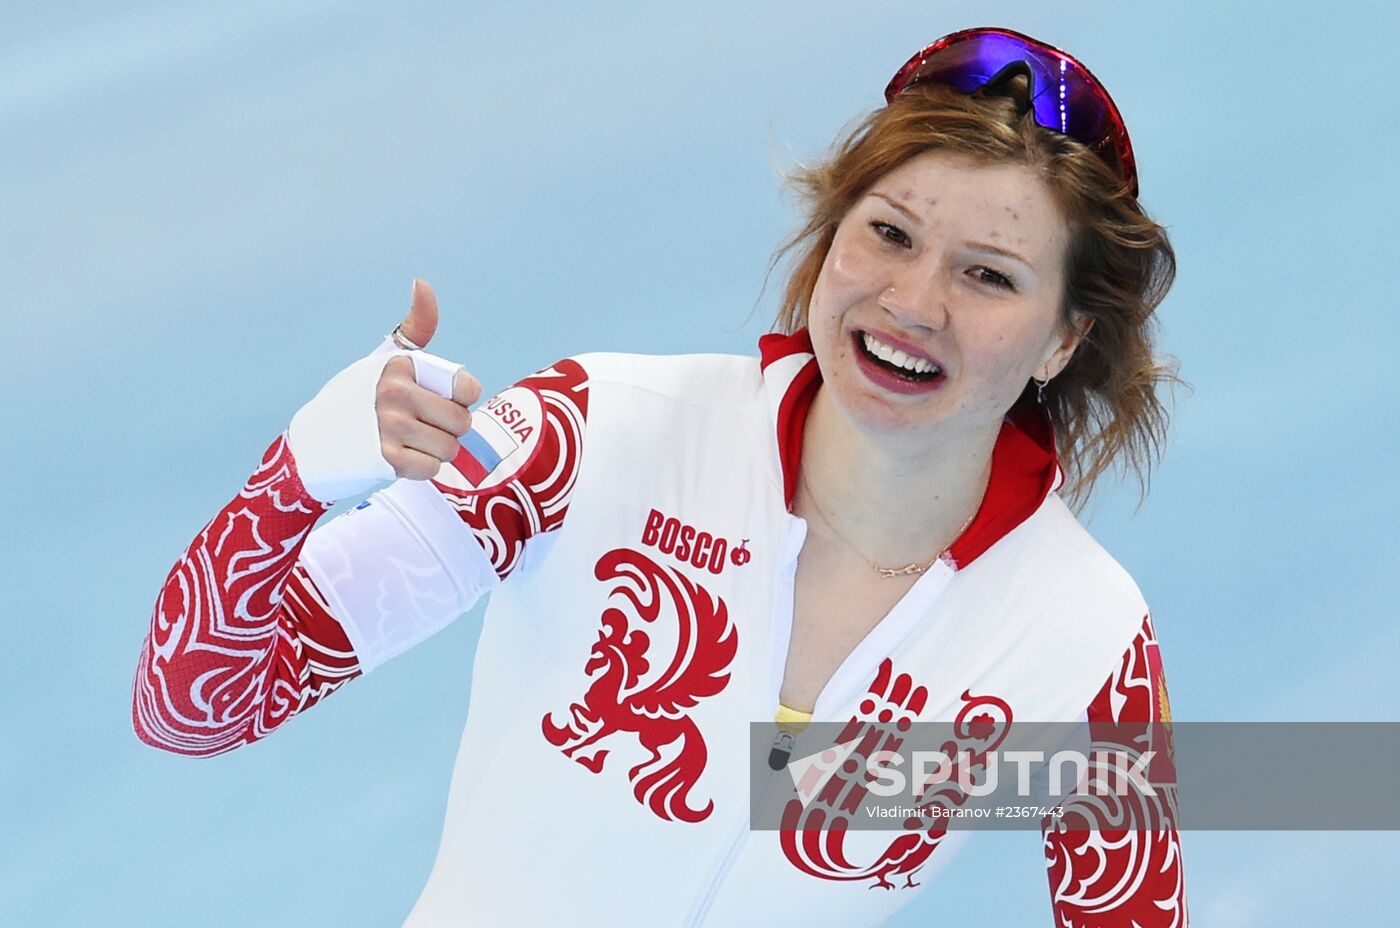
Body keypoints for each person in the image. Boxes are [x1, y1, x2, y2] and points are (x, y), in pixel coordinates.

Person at [131, 26, 1187, 926]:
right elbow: (192, 704)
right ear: (828, 238)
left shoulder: (1080, 641)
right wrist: (297, 477)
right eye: (888, 233)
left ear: (1062, 338)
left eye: (988, 275)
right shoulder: (588, 438)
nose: (913, 302)